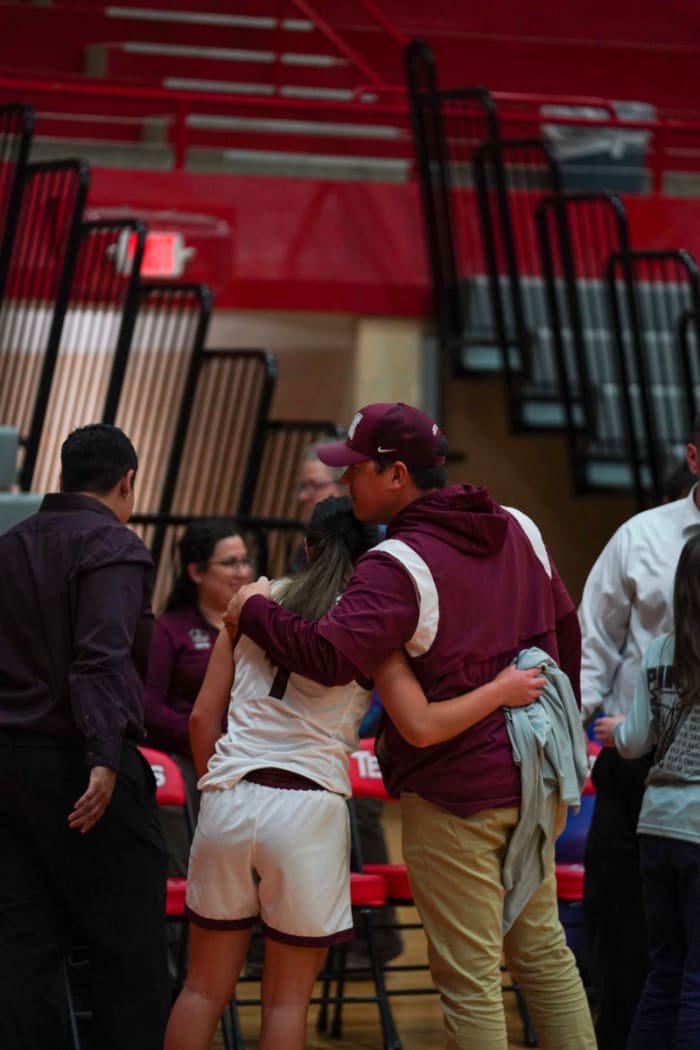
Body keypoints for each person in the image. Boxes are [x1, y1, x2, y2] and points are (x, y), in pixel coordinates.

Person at [225, 401, 596, 1049]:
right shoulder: (520, 525)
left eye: (354, 471)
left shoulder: (396, 563)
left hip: (456, 792)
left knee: (471, 976)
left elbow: (328, 656)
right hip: (539, 778)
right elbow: (566, 636)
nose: (345, 483)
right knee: (543, 955)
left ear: (395, 475)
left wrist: (254, 609)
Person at [164, 493, 546, 1050]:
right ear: (376, 553)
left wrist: (221, 787)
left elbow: (202, 718)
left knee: (201, 990)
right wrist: (500, 691)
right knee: (286, 1001)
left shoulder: (254, 599)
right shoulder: (369, 624)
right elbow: (420, 725)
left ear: (305, 545)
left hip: (228, 798)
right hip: (307, 811)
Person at [0, 423, 170, 1050]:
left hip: (9, 767)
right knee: (130, 951)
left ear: (65, 476)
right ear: (128, 482)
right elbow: (100, 659)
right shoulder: (113, 544)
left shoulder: (9, 545)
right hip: (81, 763)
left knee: (21, 950)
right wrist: (102, 757)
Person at [578, 413, 700, 1049]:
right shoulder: (640, 537)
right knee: (627, 944)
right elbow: (589, 649)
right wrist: (569, 753)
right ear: (694, 457)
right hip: (636, 770)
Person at [143, 517, 253, 873]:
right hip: (188, 753)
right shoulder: (170, 630)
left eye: (245, 560)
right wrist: (212, 739)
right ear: (196, 572)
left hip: (251, 752)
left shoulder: (263, 628)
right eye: (230, 562)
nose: (242, 571)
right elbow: (149, 710)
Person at [287, 441, 345, 573]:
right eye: (302, 487)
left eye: (313, 486)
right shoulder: (313, 540)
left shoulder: (356, 545)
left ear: (342, 488)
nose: (302, 496)